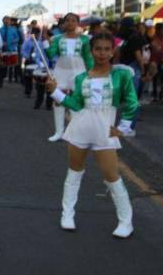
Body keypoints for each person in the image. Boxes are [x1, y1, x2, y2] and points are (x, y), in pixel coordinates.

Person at [46, 31, 138, 238]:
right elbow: (77, 105)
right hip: (80, 127)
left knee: (112, 176)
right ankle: (67, 214)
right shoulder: (81, 78)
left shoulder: (121, 75)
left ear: (113, 51)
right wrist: (55, 92)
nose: (102, 53)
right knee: (74, 173)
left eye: (107, 49)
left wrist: (122, 128)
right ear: (92, 50)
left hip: (105, 131)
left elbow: (132, 102)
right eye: (98, 49)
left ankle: (126, 222)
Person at [46, 13, 92, 141]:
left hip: (79, 72)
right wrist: (46, 41)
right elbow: (50, 55)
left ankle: (73, 132)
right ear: (64, 23)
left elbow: (88, 58)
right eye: (68, 21)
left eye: (73, 21)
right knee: (58, 100)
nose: (70, 23)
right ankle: (58, 132)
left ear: (77, 23)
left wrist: (92, 72)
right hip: (60, 72)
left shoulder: (85, 39)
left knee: (76, 101)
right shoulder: (57, 38)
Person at [0, 16, 22, 86]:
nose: (6, 22)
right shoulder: (0, 30)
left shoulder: (14, 29)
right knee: (2, 67)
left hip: (12, 50)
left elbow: (17, 38)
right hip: (3, 50)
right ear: (3, 21)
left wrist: (12, 42)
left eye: (7, 21)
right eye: (5, 21)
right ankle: (0, 82)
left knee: (15, 65)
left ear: (9, 21)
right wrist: (2, 43)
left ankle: (19, 79)